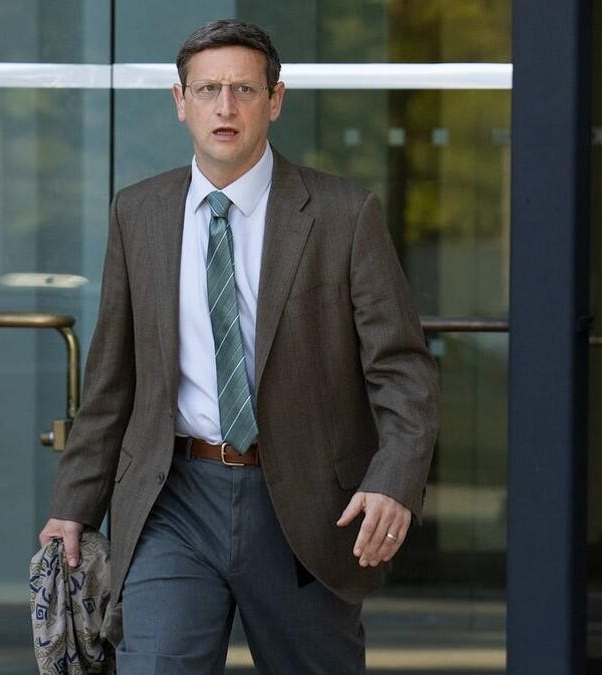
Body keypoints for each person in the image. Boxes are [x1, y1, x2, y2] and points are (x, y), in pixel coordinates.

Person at [38, 18, 439, 674]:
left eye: (244, 90)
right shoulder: (138, 213)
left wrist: (393, 481)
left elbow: (403, 371)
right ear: (181, 101)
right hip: (173, 498)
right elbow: (112, 379)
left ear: (275, 101)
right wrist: (73, 505)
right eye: (208, 90)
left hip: (307, 507)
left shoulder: (343, 215)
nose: (225, 107)